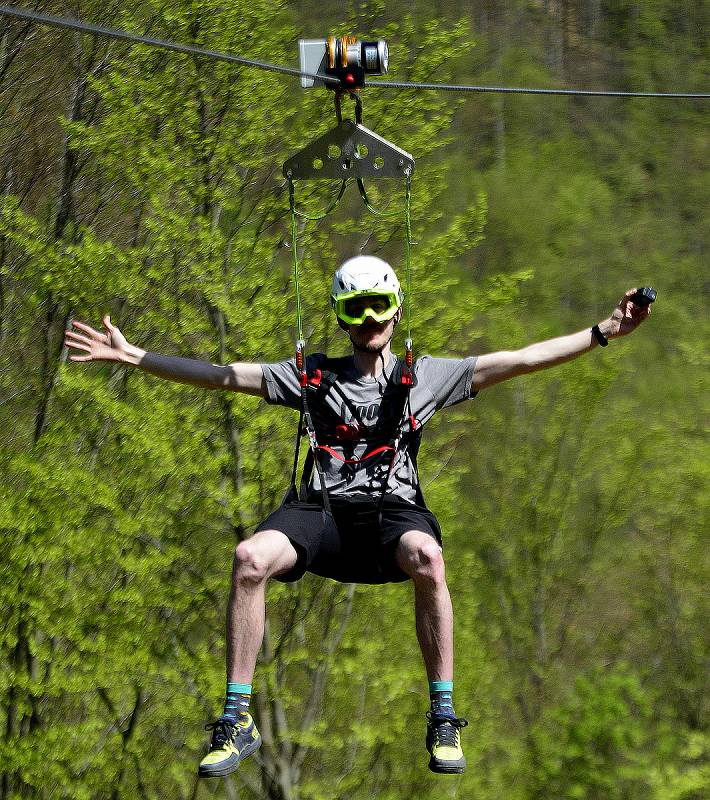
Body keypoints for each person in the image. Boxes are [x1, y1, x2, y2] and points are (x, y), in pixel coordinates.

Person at [64, 256, 652, 777]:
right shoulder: (310, 375)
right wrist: (134, 356)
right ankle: (236, 717)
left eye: (380, 307)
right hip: (319, 513)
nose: (370, 319)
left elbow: (522, 359)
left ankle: (443, 715)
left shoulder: (426, 376)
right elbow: (222, 375)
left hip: (392, 513)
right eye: (357, 308)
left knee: (429, 557)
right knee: (249, 558)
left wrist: (605, 331)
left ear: (396, 312)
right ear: (343, 317)